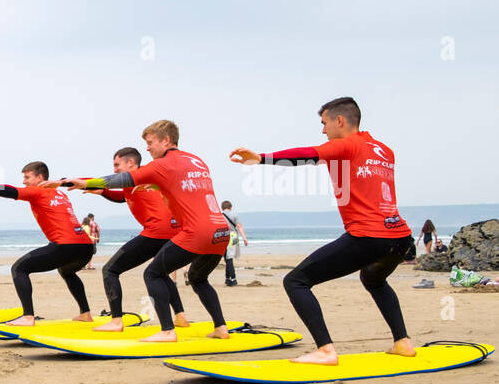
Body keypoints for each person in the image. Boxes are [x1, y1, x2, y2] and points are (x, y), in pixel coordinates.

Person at [230, 96, 415, 365]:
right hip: (399, 238)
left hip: (368, 236)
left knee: (295, 281)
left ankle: (326, 350)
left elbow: (307, 154)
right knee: (373, 279)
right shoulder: (384, 150)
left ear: (340, 120)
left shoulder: (346, 145)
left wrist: (260, 158)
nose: (323, 130)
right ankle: (403, 342)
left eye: (324, 122)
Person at [65, 120, 230, 343]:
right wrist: (154, 186)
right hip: (220, 230)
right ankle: (220, 327)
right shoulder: (196, 161)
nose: (148, 148)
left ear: (166, 140)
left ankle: (166, 331)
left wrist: (86, 183)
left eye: (150, 142)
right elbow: (179, 186)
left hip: (196, 232)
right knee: (198, 278)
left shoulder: (162, 164)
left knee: (153, 273)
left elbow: (122, 179)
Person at [64, 146, 188, 332]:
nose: (114, 170)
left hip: (156, 232)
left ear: (131, 163)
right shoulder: (144, 178)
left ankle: (116, 321)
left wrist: (77, 182)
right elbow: (122, 196)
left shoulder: (135, 176)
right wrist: (103, 191)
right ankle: (180, 316)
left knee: (110, 270)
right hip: (173, 231)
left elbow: (107, 181)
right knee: (160, 273)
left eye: (117, 164)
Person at [0, 162, 93, 327]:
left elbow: (9, 191)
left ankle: (28, 316)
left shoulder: (37, 191)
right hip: (86, 246)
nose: (24, 182)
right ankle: (85, 313)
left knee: (19, 268)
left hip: (66, 245)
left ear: (39, 177)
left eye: (27, 177)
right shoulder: (60, 194)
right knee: (67, 271)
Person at [220, 200, 248, 286]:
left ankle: (228, 278)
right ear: (230, 207)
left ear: (222, 208)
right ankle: (232, 279)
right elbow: (239, 226)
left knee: (227, 258)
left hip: (223, 236)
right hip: (234, 236)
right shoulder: (234, 215)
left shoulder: (219, 215)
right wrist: (244, 238)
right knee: (229, 258)